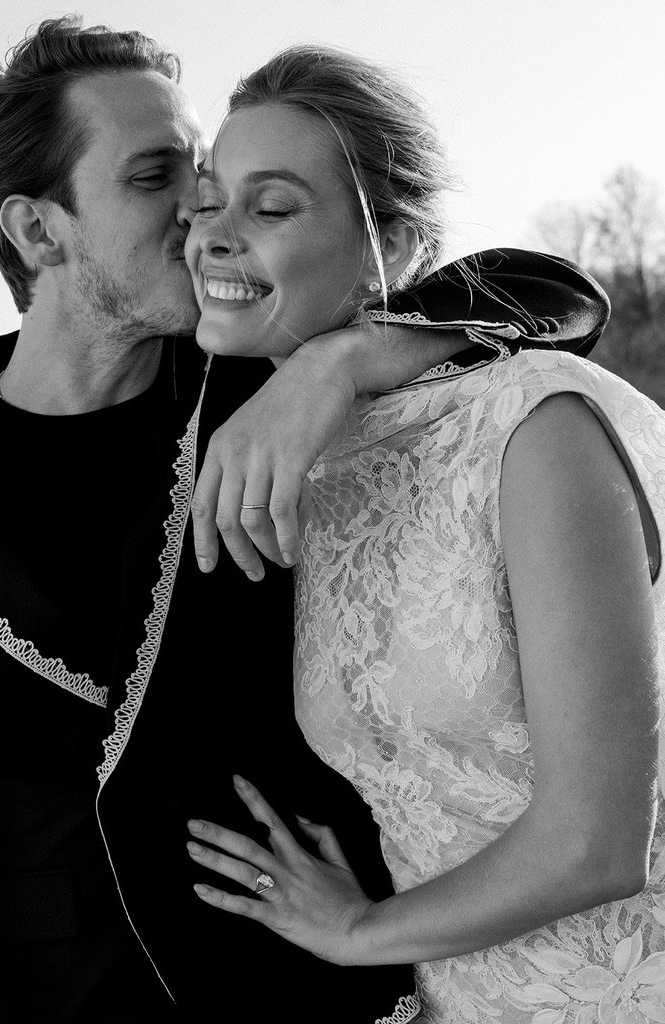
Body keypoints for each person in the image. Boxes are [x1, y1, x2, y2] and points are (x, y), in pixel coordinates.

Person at [0, 18, 611, 1024]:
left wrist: (346, 358)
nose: (198, 205)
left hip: (310, 985)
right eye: (155, 176)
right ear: (38, 230)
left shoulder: (270, 366)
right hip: (56, 1000)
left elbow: (558, 294)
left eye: (198, 169)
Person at [181, 44, 665, 1024]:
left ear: (393, 247)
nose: (214, 236)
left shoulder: (531, 424)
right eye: (203, 201)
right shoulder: (294, 450)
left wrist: (356, 931)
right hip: (453, 998)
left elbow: (599, 841)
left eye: (270, 207)